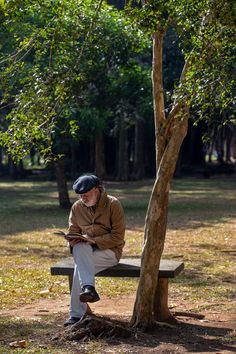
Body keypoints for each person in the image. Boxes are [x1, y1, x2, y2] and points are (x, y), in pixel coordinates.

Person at [64, 174, 126, 327]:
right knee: (79, 247)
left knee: (79, 268)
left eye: (86, 194)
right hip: (84, 253)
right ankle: (89, 288)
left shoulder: (113, 204)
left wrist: (93, 240)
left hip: (110, 252)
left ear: (97, 190)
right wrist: (72, 241)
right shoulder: (77, 207)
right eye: (80, 195)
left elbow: (118, 237)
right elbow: (73, 232)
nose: (83, 198)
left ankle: (76, 315)